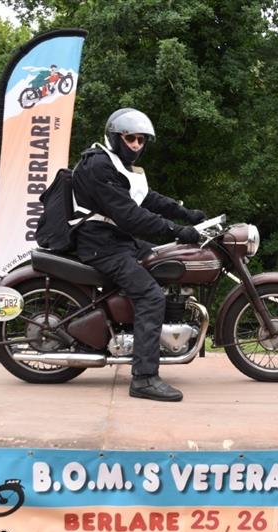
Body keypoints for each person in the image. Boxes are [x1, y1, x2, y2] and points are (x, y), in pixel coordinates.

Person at [71, 108, 205, 402]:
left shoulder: (118, 165)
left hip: (117, 241)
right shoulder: (99, 166)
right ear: (115, 137)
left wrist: (186, 214)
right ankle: (144, 378)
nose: (135, 145)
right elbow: (130, 216)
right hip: (101, 245)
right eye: (130, 138)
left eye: (141, 140)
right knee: (150, 296)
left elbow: (148, 198)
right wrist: (176, 230)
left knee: (165, 261)